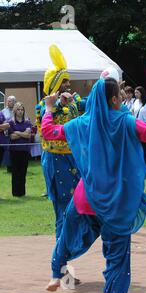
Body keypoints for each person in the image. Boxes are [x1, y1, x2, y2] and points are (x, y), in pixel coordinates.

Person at [42, 78, 146, 293]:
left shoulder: (81, 124)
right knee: (118, 260)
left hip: (86, 198)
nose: (122, 98)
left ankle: (57, 271)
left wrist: (49, 108)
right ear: (113, 100)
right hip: (117, 202)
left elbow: (50, 132)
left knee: (67, 233)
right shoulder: (125, 122)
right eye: (120, 95)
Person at [35, 44, 84, 241]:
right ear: (55, 85)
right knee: (63, 207)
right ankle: (61, 254)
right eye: (64, 82)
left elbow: (86, 105)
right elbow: (45, 132)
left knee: (77, 203)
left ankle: (70, 246)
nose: (68, 86)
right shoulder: (43, 106)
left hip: (74, 158)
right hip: (56, 161)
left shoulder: (74, 101)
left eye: (69, 82)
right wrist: (56, 105)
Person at [8, 103, 32, 197]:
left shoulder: (27, 121)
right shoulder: (10, 122)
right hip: (14, 150)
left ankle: (22, 192)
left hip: (25, 150)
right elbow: (12, 137)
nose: (20, 111)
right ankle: (15, 193)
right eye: (18, 109)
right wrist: (23, 133)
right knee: (15, 172)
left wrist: (17, 132)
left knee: (23, 171)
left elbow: (28, 135)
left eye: (22, 109)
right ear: (14, 110)